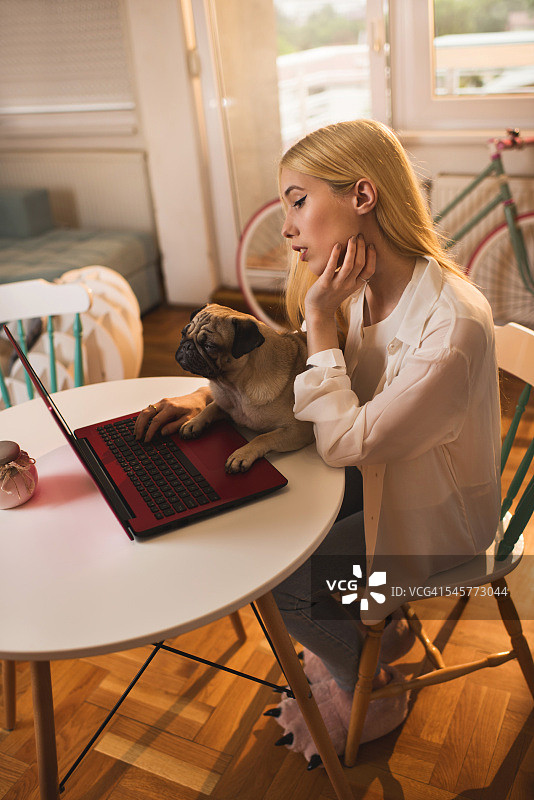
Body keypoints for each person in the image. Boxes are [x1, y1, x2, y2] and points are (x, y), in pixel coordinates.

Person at [135, 119, 501, 760]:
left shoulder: (451, 327)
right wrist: (205, 395)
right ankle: (369, 636)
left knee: (275, 579)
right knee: (250, 515)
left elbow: (339, 444)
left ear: (362, 197)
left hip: (429, 521)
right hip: (375, 481)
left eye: (297, 201)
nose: (286, 227)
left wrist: (319, 319)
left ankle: (367, 679)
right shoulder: (358, 284)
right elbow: (293, 369)